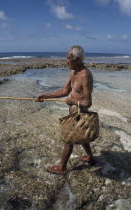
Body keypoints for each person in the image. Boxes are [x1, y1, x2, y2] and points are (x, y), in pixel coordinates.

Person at [36, 46, 96, 175]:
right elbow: (65, 91)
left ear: (78, 59)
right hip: (74, 110)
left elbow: (88, 102)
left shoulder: (85, 74)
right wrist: (46, 96)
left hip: (81, 111)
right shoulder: (73, 72)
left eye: (69, 58)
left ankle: (61, 167)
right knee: (82, 134)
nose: (66, 61)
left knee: (69, 138)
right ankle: (90, 157)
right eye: (67, 58)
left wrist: (73, 101)